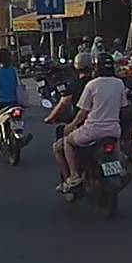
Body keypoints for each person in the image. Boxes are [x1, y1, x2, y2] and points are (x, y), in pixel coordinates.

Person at [53, 52, 127, 193]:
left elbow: (83, 112)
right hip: (114, 130)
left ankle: (74, 175)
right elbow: (123, 106)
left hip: (93, 131)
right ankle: (121, 169)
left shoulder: (92, 85)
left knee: (68, 142)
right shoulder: (119, 83)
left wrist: (71, 126)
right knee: (117, 148)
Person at [44, 52, 94, 125]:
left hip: (84, 124)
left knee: (63, 130)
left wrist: (50, 118)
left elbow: (62, 104)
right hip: (104, 123)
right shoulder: (98, 83)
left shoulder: (75, 84)